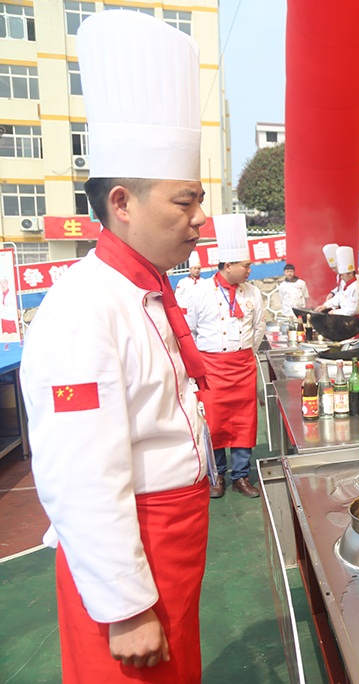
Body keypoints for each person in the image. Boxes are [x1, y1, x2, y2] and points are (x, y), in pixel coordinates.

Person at [20, 11, 211, 681]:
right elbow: (79, 473)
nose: (199, 220)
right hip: (134, 549)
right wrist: (126, 606)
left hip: (171, 537)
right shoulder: (84, 309)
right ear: (123, 203)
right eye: (184, 203)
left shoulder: (144, 291)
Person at [185, 213, 265, 499]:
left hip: (243, 366)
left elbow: (258, 328)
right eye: (245, 265)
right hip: (212, 369)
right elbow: (189, 331)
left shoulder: (252, 293)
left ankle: (241, 476)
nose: (249, 270)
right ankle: (216, 475)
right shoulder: (200, 292)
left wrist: (244, 353)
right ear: (228, 265)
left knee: (245, 422)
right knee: (214, 423)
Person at [317, 245, 359, 316]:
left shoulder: (355, 287)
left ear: (350, 273)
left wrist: (335, 312)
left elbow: (352, 310)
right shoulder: (345, 283)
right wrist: (326, 305)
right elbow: (339, 296)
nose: (341, 277)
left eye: (342, 274)